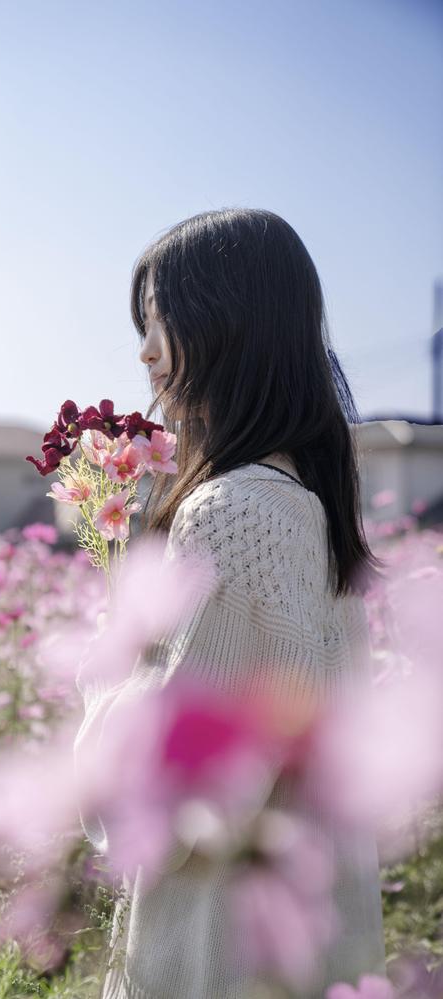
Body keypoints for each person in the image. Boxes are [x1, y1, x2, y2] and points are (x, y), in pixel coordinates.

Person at [74, 208, 387, 999]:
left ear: (230, 327)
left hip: (220, 948)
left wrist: (106, 673)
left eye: (161, 321)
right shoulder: (306, 501)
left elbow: (168, 797)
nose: (144, 351)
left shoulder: (233, 512)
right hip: (305, 931)